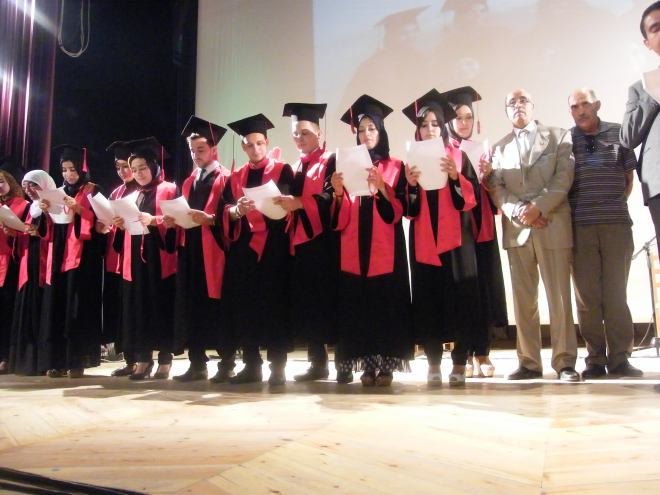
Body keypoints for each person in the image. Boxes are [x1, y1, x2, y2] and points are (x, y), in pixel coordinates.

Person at [484, 89, 578, 381]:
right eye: (511, 103)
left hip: (552, 223)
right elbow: (496, 186)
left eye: (523, 100)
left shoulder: (558, 136)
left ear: (533, 106)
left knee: (559, 298)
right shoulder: (499, 147)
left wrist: (538, 207)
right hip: (517, 229)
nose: (518, 106)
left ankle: (565, 362)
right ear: (506, 111)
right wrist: (519, 211)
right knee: (524, 301)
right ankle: (528, 362)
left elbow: (564, 176)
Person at [331, 94, 413, 387]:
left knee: (385, 302)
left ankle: (387, 365)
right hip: (354, 244)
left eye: (372, 128)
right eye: (362, 129)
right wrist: (337, 192)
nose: (366, 134)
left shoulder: (396, 166)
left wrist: (382, 187)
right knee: (360, 304)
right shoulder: (345, 165)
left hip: (386, 247)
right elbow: (338, 216)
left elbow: (399, 211)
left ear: (381, 131)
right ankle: (367, 364)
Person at [401, 88, 480, 386]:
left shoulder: (458, 156)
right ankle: (433, 360)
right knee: (428, 298)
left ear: (443, 126)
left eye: (435, 123)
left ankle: (459, 361)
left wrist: (456, 177)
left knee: (461, 299)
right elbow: (408, 209)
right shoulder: (411, 161)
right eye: (424, 124)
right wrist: (410, 185)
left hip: (457, 241)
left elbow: (470, 199)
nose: (430, 129)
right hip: (424, 239)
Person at [568, 88, 642, 378]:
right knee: (587, 299)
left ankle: (620, 358)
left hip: (616, 225)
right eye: (575, 106)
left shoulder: (618, 132)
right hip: (580, 227)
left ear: (597, 105)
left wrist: (611, 205)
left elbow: (628, 178)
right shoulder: (567, 140)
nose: (581, 110)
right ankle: (595, 359)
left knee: (616, 295)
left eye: (585, 104)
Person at [221, 114, 294, 386]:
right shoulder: (235, 177)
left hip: (275, 247)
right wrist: (237, 211)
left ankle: (278, 367)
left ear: (267, 142)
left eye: (260, 143)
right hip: (245, 250)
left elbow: (291, 205)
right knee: (246, 306)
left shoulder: (283, 171)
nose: (255, 149)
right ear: (243, 147)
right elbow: (224, 210)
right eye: (250, 145)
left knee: (275, 305)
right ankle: (251, 365)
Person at [445, 86, 508, 379]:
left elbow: (494, 193)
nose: (463, 122)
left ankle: (483, 350)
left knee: (483, 287)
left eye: (468, 117)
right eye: (458, 117)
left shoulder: (483, 149)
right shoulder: (444, 152)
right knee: (463, 290)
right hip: (459, 228)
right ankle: (464, 353)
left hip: (482, 227)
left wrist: (488, 175)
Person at [169, 116, 236, 383]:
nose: (196, 155)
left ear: (213, 149)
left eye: (201, 149)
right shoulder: (189, 181)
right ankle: (197, 363)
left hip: (216, 250)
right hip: (191, 250)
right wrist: (174, 220)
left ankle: (227, 363)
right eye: (192, 150)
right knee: (192, 305)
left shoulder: (226, 178)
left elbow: (232, 214)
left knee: (219, 307)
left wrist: (211, 219)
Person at [277, 102, 338, 382]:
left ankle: (342, 364)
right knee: (309, 303)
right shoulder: (294, 167)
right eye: (295, 134)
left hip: (326, 241)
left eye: (304, 133)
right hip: (300, 242)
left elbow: (331, 196)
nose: (299, 139)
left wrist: (299, 202)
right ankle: (317, 362)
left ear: (319, 133)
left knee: (329, 300)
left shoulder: (331, 161)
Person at [38, 145, 104, 378]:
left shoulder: (92, 190)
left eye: (73, 169)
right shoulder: (57, 192)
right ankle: (57, 361)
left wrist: (80, 210)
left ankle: (77, 361)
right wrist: (45, 211)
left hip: (84, 258)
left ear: (81, 169)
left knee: (77, 307)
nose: (69, 174)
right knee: (58, 305)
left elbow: (102, 222)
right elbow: (48, 229)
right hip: (59, 254)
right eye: (64, 170)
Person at [114, 137, 177, 380]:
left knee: (161, 306)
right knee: (139, 308)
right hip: (136, 259)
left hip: (159, 257)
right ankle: (143, 358)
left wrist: (155, 220)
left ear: (154, 167)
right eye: (135, 169)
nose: (138, 173)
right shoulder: (134, 194)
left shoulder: (169, 189)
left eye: (143, 168)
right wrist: (120, 224)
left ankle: (165, 360)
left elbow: (177, 222)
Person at [620, 1, 660, 252]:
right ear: (647, 43)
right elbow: (627, 137)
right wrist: (654, 91)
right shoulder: (641, 88)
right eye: (656, 28)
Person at [9, 170, 55, 375]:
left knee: (41, 308)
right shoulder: (31, 207)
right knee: (27, 307)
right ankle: (25, 362)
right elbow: (25, 230)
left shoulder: (53, 204)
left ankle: (42, 361)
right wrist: (15, 232)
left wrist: (40, 232)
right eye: (25, 186)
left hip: (44, 261)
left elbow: (58, 232)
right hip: (28, 261)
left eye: (33, 185)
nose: (28, 190)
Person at [102, 141, 139, 377]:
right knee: (122, 307)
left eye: (126, 166)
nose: (122, 172)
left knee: (136, 306)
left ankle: (143, 358)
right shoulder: (116, 193)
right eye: (118, 167)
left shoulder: (143, 190)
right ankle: (129, 358)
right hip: (118, 256)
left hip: (138, 254)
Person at [0, 161, 29, 373]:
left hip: (12, 263)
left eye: (1, 181)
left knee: (7, 310)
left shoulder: (23, 205)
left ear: (10, 182)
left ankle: (6, 357)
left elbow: (28, 233)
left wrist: (13, 234)